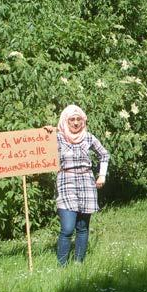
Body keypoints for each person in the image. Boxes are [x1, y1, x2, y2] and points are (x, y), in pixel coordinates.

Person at [46, 105, 110, 266]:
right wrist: (44, 134)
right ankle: (61, 266)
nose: (75, 123)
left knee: (82, 227)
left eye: (78, 119)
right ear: (64, 120)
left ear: (83, 120)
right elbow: (39, 149)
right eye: (71, 119)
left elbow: (104, 154)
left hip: (86, 182)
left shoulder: (88, 137)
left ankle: (78, 263)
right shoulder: (58, 137)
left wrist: (101, 175)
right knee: (67, 228)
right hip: (66, 181)